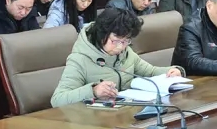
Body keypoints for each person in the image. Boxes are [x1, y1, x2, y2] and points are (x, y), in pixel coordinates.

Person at [51, 8, 184, 106]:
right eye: (115, 41)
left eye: (126, 41)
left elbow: (150, 71)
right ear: (102, 34)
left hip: (126, 113)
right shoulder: (80, 59)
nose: (120, 47)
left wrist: (173, 71)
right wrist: (93, 90)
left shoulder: (126, 52)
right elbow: (58, 99)